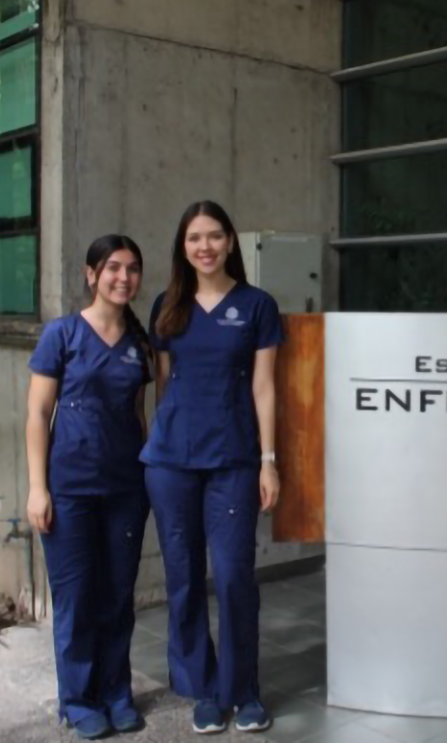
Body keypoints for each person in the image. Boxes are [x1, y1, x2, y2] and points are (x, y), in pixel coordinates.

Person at [141, 200, 282, 735]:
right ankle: (203, 689)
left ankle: (242, 690)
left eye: (215, 236)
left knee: (233, 576)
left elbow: (263, 388)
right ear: (183, 246)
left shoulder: (256, 305)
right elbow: (163, 384)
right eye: (195, 237)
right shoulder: (166, 305)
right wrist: (165, 438)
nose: (205, 246)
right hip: (171, 463)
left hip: (234, 461)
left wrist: (268, 462)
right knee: (183, 577)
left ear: (230, 242)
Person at [25, 235, 153, 739]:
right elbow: (37, 414)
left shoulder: (139, 344)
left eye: (133, 269)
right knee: (77, 597)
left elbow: (139, 418)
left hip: (125, 489)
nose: (124, 278)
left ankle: (116, 691)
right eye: (114, 268)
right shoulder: (62, 335)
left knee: (118, 595)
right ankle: (78, 700)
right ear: (91, 274)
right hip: (69, 489)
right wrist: (39, 488)